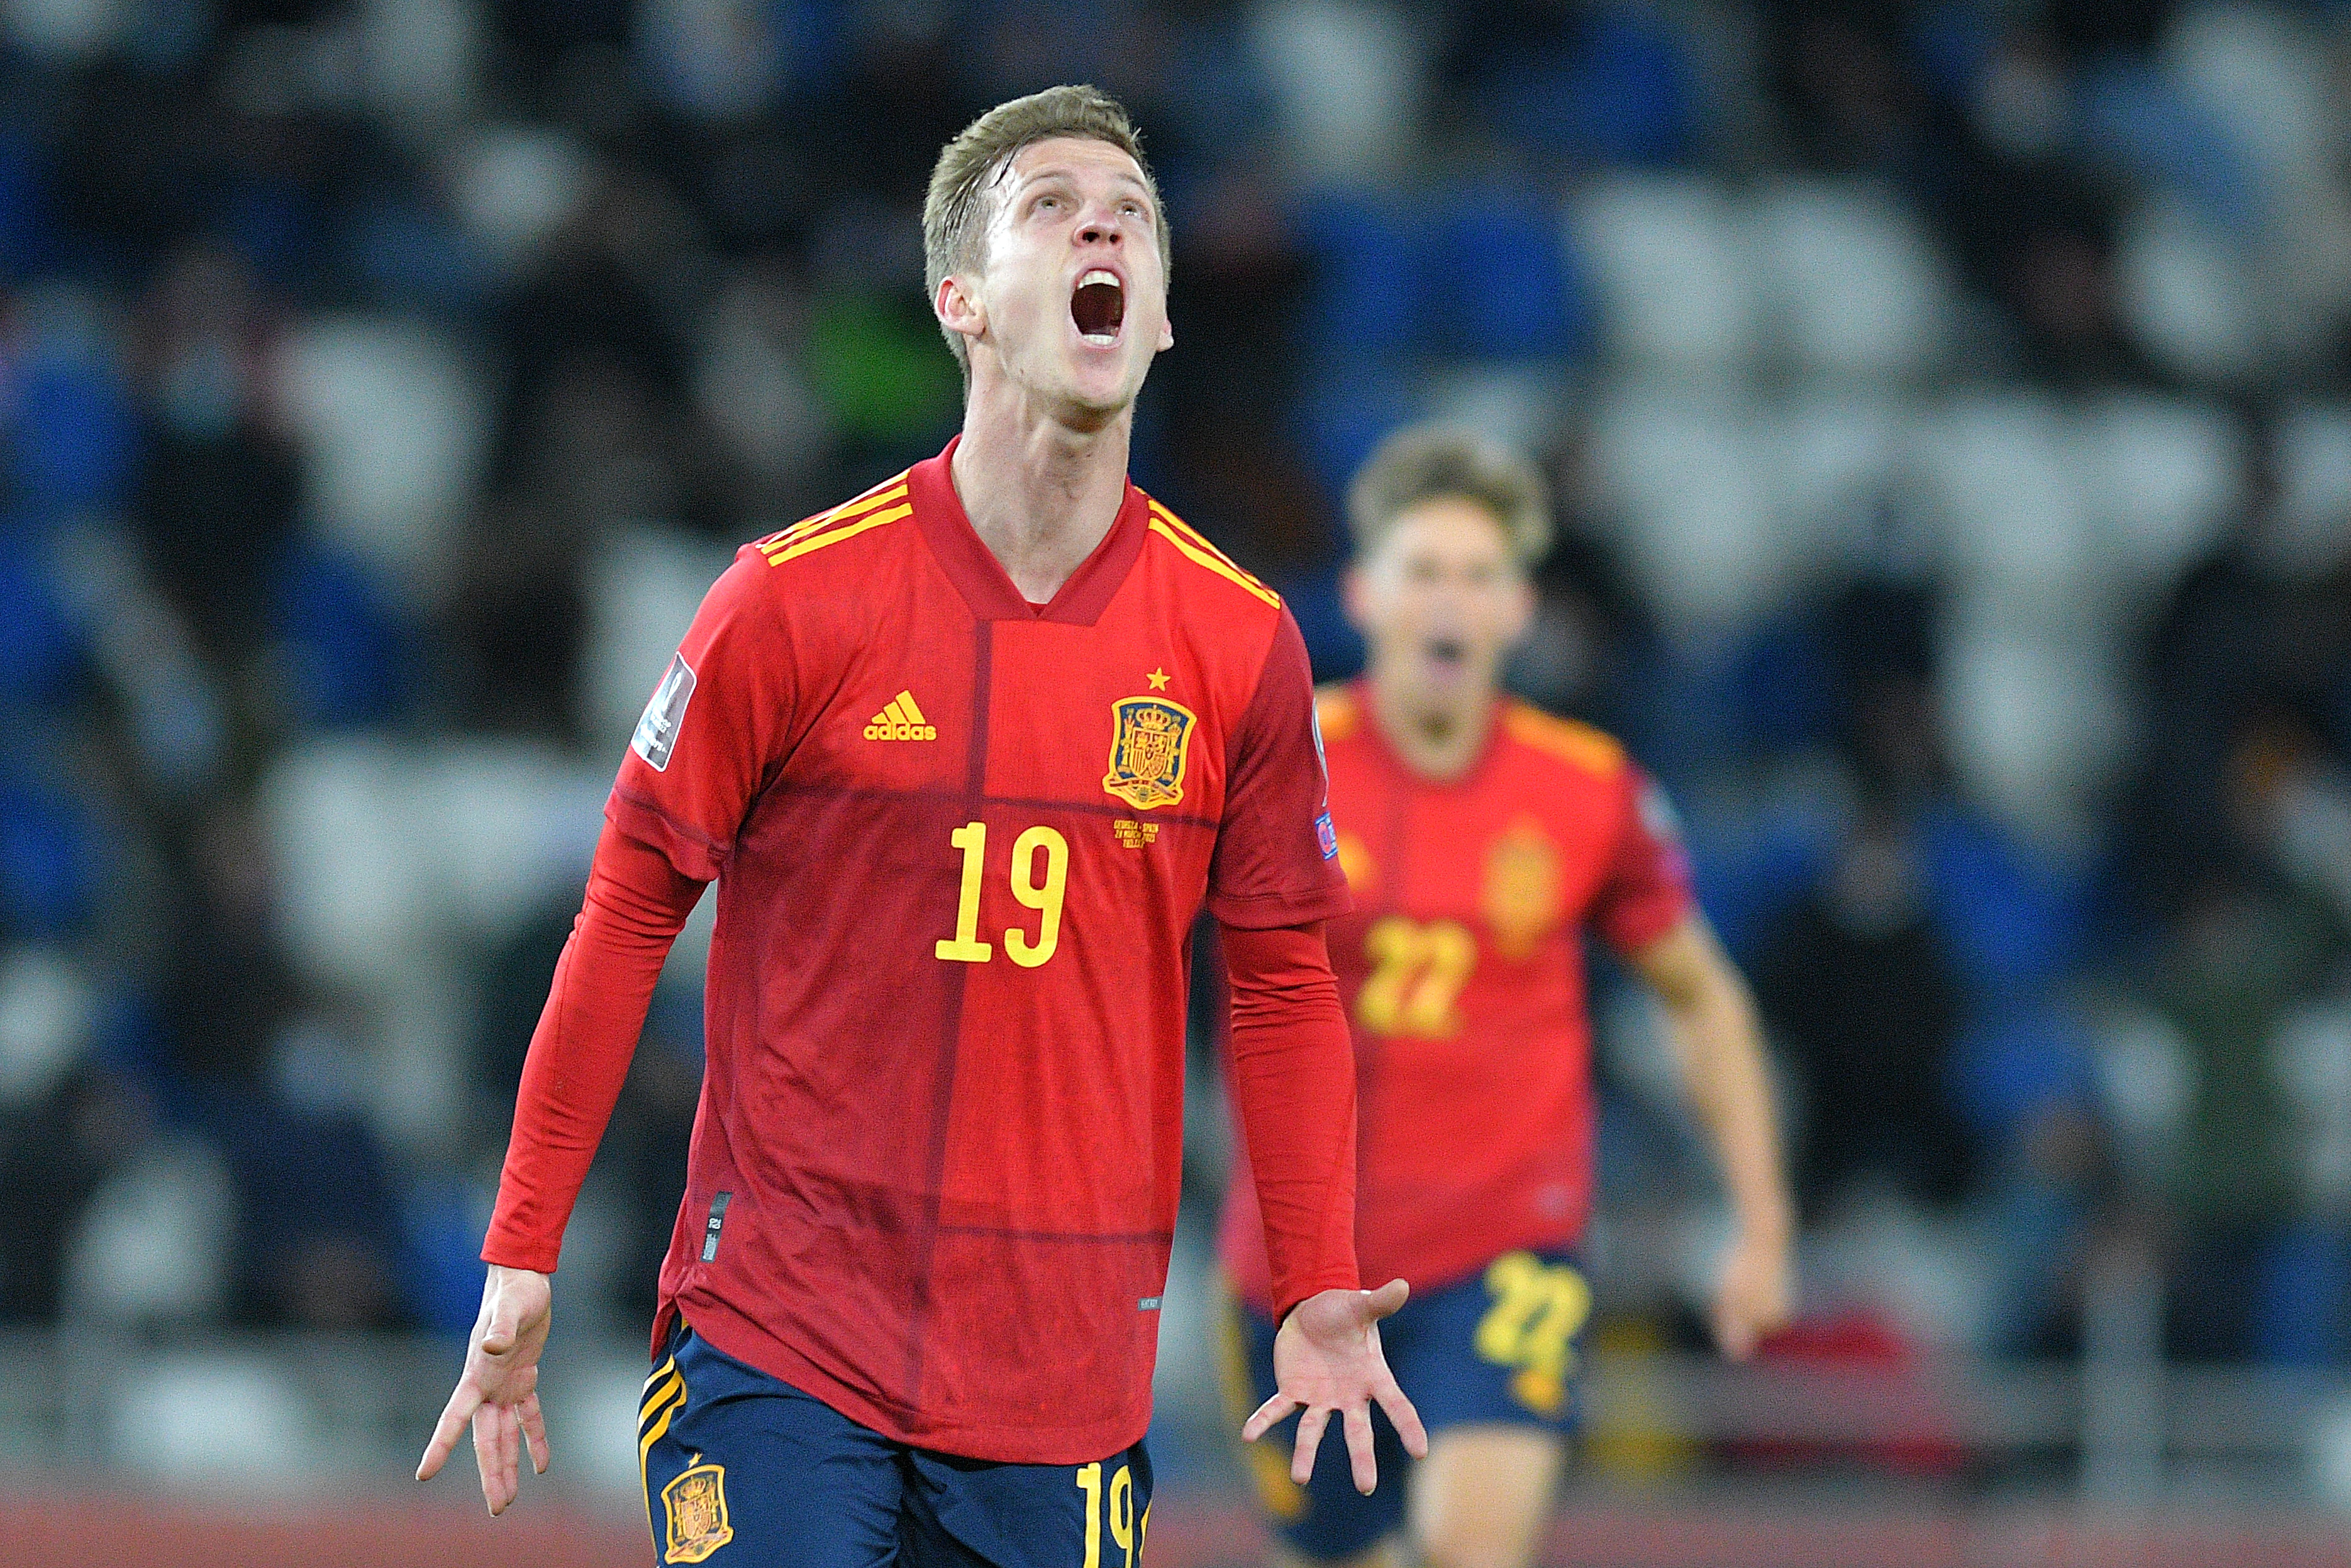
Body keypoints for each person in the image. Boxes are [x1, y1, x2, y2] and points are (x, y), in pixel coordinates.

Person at [416, 85, 1425, 1566]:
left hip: (1063, 1379)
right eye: (1050, 207)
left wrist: (1320, 1282)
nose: (1104, 224)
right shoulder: (791, 600)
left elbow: (1280, 979)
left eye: (1132, 214)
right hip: (783, 1335)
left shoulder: (1239, 643)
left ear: (1155, 318)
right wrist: (521, 1249)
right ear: (960, 299)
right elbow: (627, 910)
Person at [1216, 426, 1792, 1568]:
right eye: (1423, 570)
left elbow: (1702, 998)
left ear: (1517, 610)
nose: (1451, 600)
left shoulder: (1588, 791)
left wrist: (1762, 1222)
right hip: (1294, 1263)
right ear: (1364, 594)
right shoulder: (1276, 758)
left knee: (1468, 1548)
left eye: (1479, 575)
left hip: (1503, 1245)